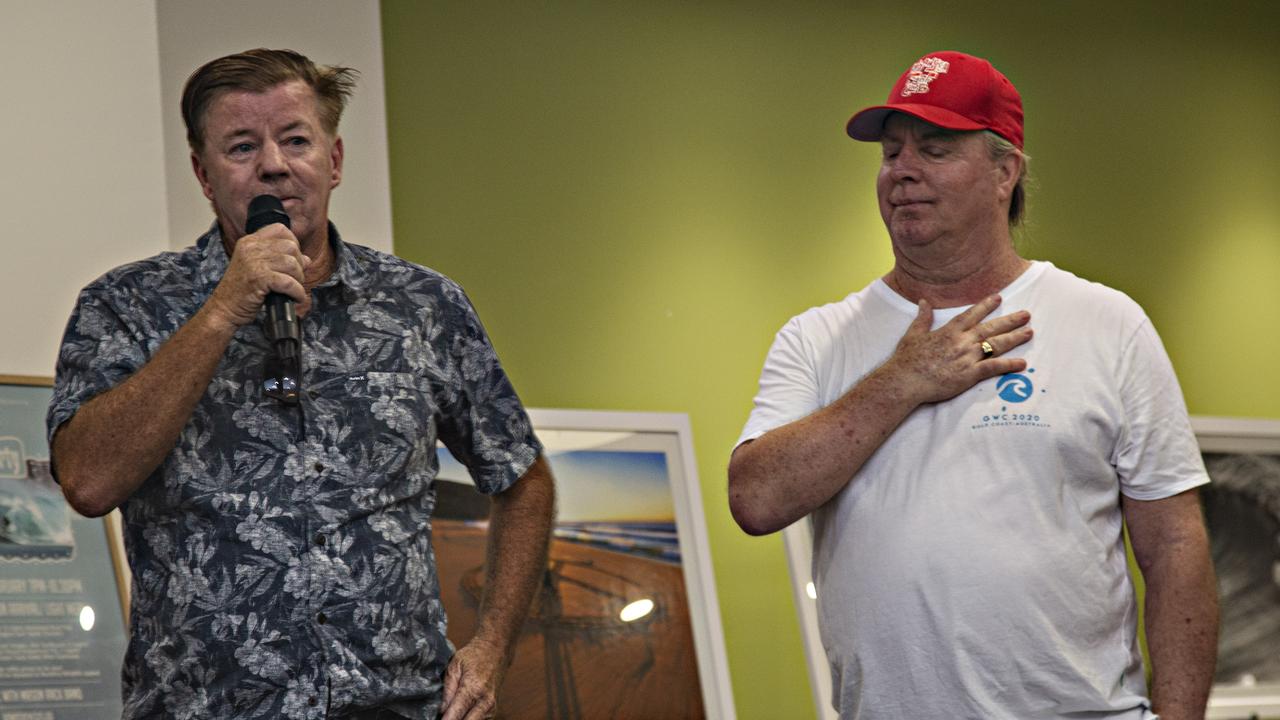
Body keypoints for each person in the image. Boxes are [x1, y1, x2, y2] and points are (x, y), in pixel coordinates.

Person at [46, 48, 555, 720]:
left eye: (295, 140)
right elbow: (87, 480)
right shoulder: (127, 308)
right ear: (203, 174)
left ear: (334, 161)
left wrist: (491, 649)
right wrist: (226, 307)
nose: (274, 165)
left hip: (397, 706)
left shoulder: (422, 306)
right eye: (241, 146)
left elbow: (523, 479)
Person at [728, 51, 1218, 719]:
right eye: (891, 152)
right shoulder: (818, 339)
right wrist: (904, 381)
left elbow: (1175, 547)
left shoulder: (1106, 323)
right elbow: (756, 498)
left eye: (933, 149)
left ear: (1003, 170)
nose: (902, 170)